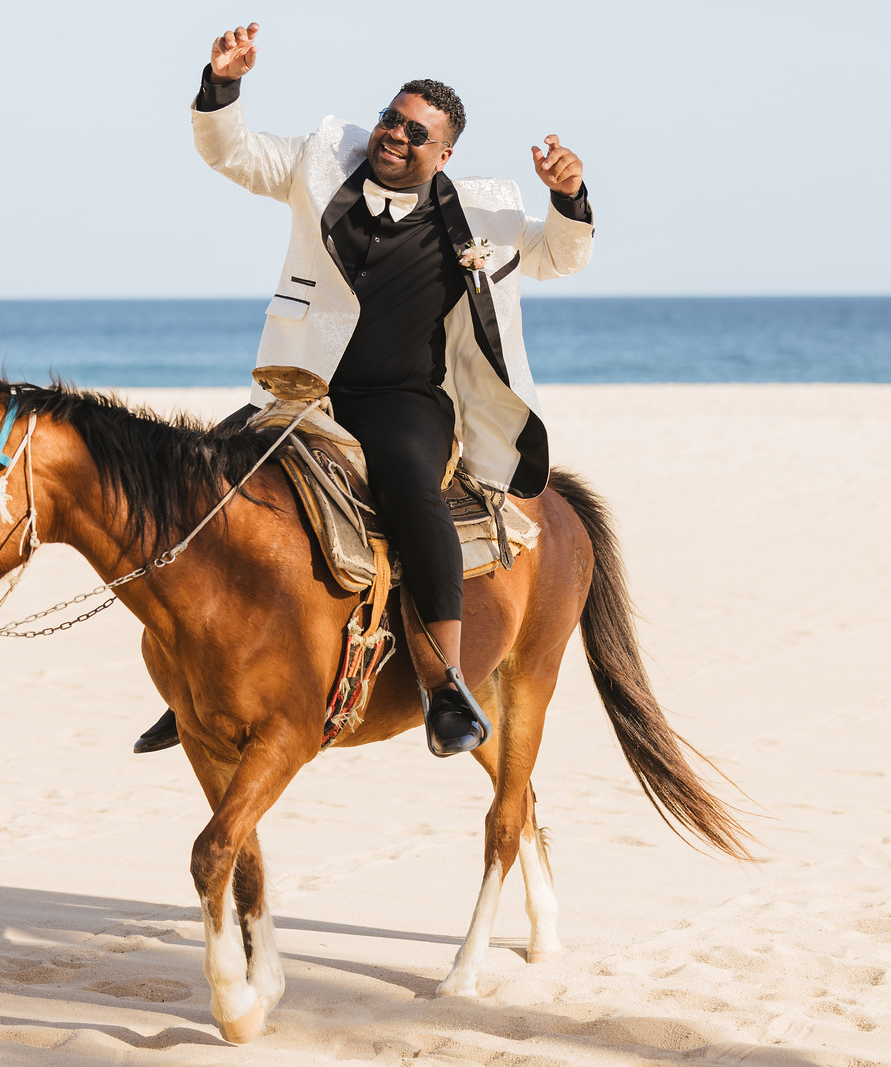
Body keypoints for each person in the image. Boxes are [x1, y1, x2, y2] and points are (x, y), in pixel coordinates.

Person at [135, 21, 595, 758]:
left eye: (416, 133)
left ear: (444, 154)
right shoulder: (321, 163)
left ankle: (445, 683)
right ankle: (191, 680)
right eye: (391, 118)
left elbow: (558, 256)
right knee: (198, 478)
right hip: (302, 390)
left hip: (407, 402)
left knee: (414, 496)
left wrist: (569, 195)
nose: (395, 135)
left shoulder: (479, 211)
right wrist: (224, 84)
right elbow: (232, 151)